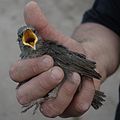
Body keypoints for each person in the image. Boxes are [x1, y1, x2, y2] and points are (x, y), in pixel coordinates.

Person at [9, 0, 120, 119]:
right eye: (22, 37)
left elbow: (74, 63)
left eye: (33, 32)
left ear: (38, 36)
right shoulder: (27, 60)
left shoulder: (50, 50)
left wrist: (88, 72)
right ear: (20, 44)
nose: (27, 34)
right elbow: (107, 22)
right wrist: (89, 53)